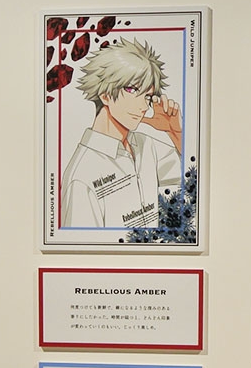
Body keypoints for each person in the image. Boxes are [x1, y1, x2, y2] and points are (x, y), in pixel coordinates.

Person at [61, 38, 183, 228]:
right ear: (105, 95)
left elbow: (190, 202)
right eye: (132, 90)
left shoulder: (150, 147)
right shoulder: (81, 177)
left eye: (148, 96)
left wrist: (176, 132)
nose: (144, 106)